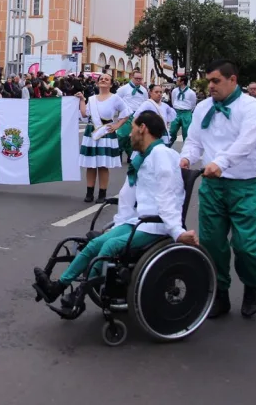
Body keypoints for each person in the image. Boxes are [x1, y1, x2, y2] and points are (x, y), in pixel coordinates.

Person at [33, 111, 199, 314]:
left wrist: (176, 231)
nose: (129, 135)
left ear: (143, 128)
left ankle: (79, 295)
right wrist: (120, 222)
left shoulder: (162, 155)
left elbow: (169, 196)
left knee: (110, 245)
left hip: (157, 224)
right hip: (139, 220)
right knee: (95, 243)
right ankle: (57, 287)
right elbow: (128, 195)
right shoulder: (143, 157)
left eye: (132, 129)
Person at [180, 59, 256, 319]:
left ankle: (251, 286)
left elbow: (247, 142)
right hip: (213, 186)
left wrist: (221, 162)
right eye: (208, 81)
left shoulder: (252, 108)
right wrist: (186, 158)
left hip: (246, 185)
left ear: (233, 80)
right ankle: (219, 294)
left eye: (216, 81)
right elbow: (194, 141)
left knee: (248, 247)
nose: (210, 86)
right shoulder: (202, 108)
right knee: (211, 243)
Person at [76, 73, 129, 203]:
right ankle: (89, 192)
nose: (103, 80)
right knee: (91, 165)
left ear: (111, 84)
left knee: (103, 165)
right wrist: (82, 100)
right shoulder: (92, 99)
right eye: (101, 79)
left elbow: (126, 113)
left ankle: (102, 193)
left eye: (107, 79)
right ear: (97, 83)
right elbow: (84, 114)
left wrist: (117, 125)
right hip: (92, 131)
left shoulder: (115, 98)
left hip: (106, 132)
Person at [114, 69, 148, 157]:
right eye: (136, 78)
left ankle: (130, 154)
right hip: (126, 114)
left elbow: (146, 103)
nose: (138, 80)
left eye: (140, 79)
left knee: (134, 136)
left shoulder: (144, 90)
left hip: (138, 115)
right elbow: (116, 100)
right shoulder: (123, 89)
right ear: (132, 77)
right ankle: (119, 151)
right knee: (122, 135)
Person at [168, 74, 197, 143]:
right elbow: (173, 100)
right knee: (172, 131)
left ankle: (186, 151)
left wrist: (188, 112)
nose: (176, 82)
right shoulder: (175, 91)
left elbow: (193, 104)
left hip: (186, 113)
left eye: (178, 80)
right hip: (177, 112)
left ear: (182, 82)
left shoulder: (191, 93)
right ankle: (168, 147)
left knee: (186, 133)